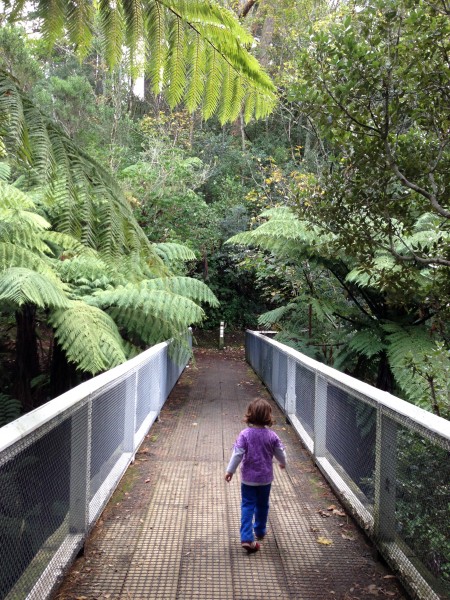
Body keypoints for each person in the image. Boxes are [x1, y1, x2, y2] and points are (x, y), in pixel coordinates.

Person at [225, 398, 287, 553]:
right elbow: (280, 452)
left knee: (247, 505)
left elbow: (237, 454)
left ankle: (246, 536)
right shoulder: (272, 436)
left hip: (248, 479)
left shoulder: (245, 434)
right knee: (262, 505)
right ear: (268, 416)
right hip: (265, 479)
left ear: (250, 414)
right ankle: (259, 530)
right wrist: (282, 462)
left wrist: (230, 471)